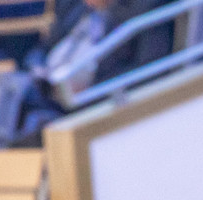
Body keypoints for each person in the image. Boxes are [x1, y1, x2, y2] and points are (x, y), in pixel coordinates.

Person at [10, 0, 177, 145]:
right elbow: (43, 48)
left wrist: (90, 90)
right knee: (10, 92)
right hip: (46, 87)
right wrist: (36, 68)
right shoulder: (73, 6)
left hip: (94, 104)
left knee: (30, 124)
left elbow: (150, 70)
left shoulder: (145, 7)